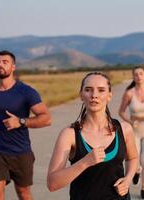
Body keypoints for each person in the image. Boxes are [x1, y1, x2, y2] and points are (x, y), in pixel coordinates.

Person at [47, 72, 138, 200]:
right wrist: (85, 162)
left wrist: (128, 180)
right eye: (88, 90)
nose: (94, 95)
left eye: (101, 90)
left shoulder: (124, 129)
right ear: (81, 95)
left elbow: (132, 158)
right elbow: (52, 183)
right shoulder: (70, 134)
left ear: (109, 95)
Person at [0, 50, 51, 200]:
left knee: (23, 193)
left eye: (5, 62)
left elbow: (46, 118)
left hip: (21, 151)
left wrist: (21, 121)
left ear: (13, 67)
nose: (0, 65)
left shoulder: (26, 92)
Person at [119, 66, 144, 200]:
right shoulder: (129, 93)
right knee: (133, 162)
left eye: (141, 74)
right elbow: (121, 112)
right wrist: (130, 121)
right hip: (133, 131)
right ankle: (136, 171)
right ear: (133, 77)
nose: (139, 76)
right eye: (136, 74)